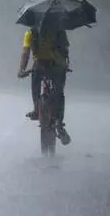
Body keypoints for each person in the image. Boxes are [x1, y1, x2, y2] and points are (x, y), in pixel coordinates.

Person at [17, 14, 71, 145]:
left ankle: (36, 108)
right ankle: (59, 122)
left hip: (40, 66)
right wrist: (65, 65)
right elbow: (65, 51)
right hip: (57, 67)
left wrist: (22, 70)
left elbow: (26, 52)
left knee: (35, 83)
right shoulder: (59, 31)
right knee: (59, 93)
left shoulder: (31, 32)